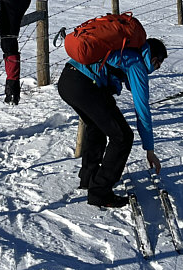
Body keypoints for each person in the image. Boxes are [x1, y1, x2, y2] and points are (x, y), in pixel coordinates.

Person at [57, 38, 167, 208]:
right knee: (123, 136)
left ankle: (88, 178)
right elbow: (142, 110)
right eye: (159, 64)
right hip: (85, 85)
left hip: (68, 80)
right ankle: (100, 192)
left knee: (96, 128)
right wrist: (149, 150)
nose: (157, 68)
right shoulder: (136, 64)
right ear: (154, 60)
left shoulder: (126, 53)